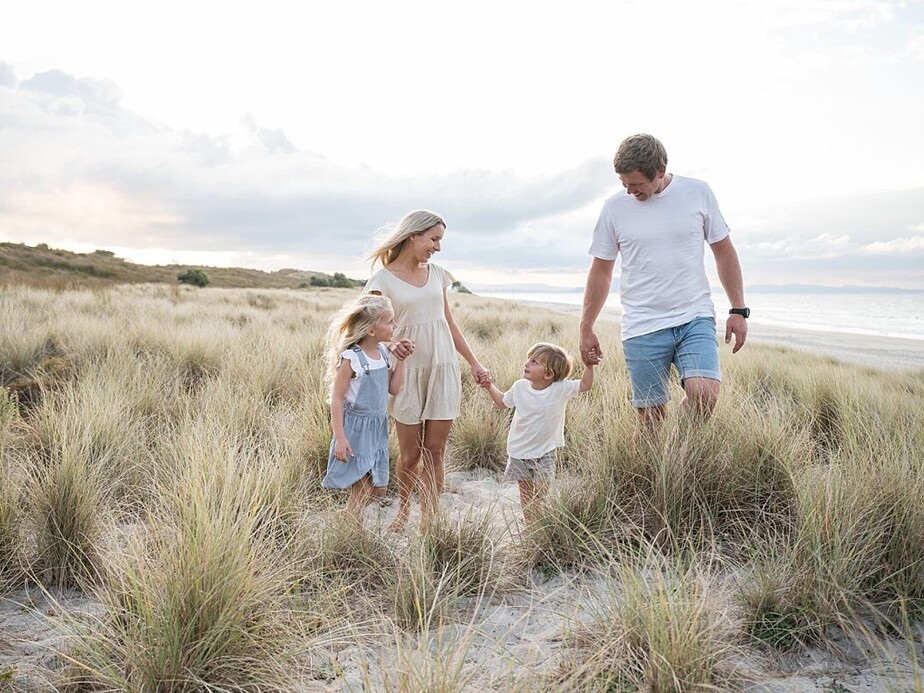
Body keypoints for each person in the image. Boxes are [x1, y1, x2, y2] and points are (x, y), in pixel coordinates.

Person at [580, 133, 748, 427]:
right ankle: (657, 465)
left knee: (705, 395)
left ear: (660, 171)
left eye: (637, 184)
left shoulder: (698, 193)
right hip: (642, 324)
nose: (630, 191)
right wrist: (586, 326)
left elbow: (723, 252)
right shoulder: (613, 208)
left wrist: (737, 309)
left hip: (693, 316)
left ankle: (683, 452)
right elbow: (601, 271)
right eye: (624, 184)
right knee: (650, 422)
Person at [365, 209, 490, 530]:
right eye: (434, 239)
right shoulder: (382, 280)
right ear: (413, 236)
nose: (438, 247)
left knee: (436, 450)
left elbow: (448, 321)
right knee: (410, 455)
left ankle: (431, 519)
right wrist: (392, 347)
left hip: (443, 367)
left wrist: (474, 362)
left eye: (440, 240)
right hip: (406, 372)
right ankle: (404, 510)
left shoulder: (437, 274)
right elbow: (370, 330)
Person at [480, 342, 594, 522]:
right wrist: (489, 386)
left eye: (534, 362)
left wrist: (589, 366)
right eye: (528, 359)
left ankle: (538, 519)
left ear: (549, 374)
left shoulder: (560, 389)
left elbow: (586, 385)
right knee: (526, 494)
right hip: (519, 451)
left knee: (540, 491)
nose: (527, 364)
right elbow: (502, 402)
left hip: (545, 450)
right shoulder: (519, 387)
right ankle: (530, 527)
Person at [322, 294, 413, 520]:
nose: (395, 326)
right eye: (389, 321)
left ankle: (346, 516)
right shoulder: (352, 359)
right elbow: (337, 398)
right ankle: (351, 528)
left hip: (377, 426)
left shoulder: (383, 353)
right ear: (371, 330)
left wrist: (401, 359)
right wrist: (340, 438)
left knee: (377, 489)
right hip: (355, 429)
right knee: (362, 489)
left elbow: (393, 388)